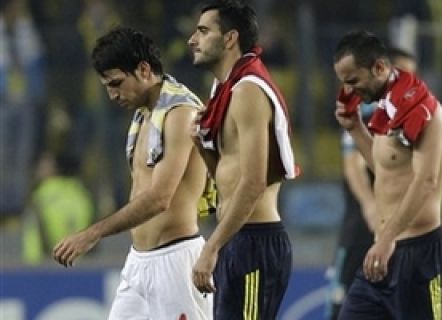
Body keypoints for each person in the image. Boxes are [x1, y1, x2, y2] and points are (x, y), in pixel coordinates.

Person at [52, 26, 213, 320]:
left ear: (143, 69)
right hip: (139, 261)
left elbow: (160, 198)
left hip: (175, 261)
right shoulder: (144, 113)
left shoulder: (180, 112)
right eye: (107, 87)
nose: (113, 95)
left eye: (116, 83)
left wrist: (94, 233)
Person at [333, 30, 442, 320]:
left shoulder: (426, 111)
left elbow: (426, 181)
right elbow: (386, 171)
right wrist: (354, 128)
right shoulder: (388, 109)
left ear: (378, 68)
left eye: (353, 81)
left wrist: (387, 238)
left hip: (421, 257)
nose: (349, 91)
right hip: (381, 258)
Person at [187, 0, 297, 318]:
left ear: (230, 38)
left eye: (204, 31)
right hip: (237, 239)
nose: (192, 40)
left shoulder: (248, 90)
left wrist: (211, 247)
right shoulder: (225, 89)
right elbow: (228, 175)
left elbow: (253, 182)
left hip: (255, 241)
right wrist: (203, 147)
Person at [326, 46, 418, 320]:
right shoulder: (365, 109)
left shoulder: (422, 113)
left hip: (404, 225)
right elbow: (352, 163)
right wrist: (368, 205)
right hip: (363, 223)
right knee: (343, 303)